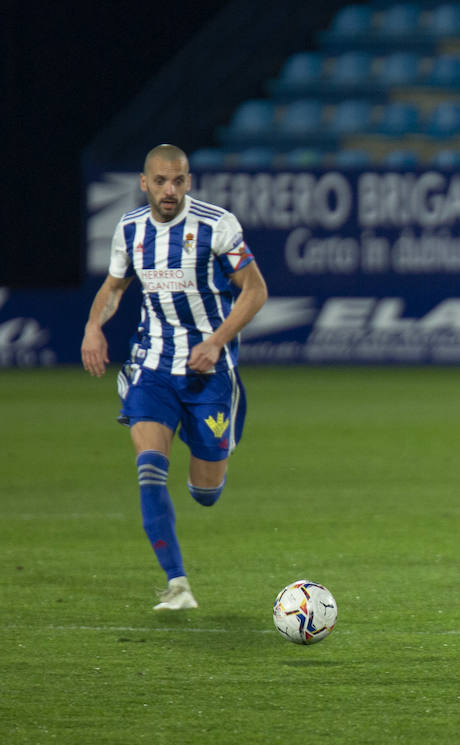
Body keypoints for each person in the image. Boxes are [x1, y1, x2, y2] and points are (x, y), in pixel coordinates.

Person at [81, 144, 268, 611]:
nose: (170, 190)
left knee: (205, 493)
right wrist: (92, 328)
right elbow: (114, 285)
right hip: (153, 368)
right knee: (149, 469)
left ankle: (221, 422)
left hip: (209, 372)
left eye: (179, 181)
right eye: (161, 181)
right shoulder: (130, 229)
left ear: (188, 182)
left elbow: (256, 290)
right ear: (144, 183)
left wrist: (216, 341)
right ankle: (177, 584)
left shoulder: (216, 225)